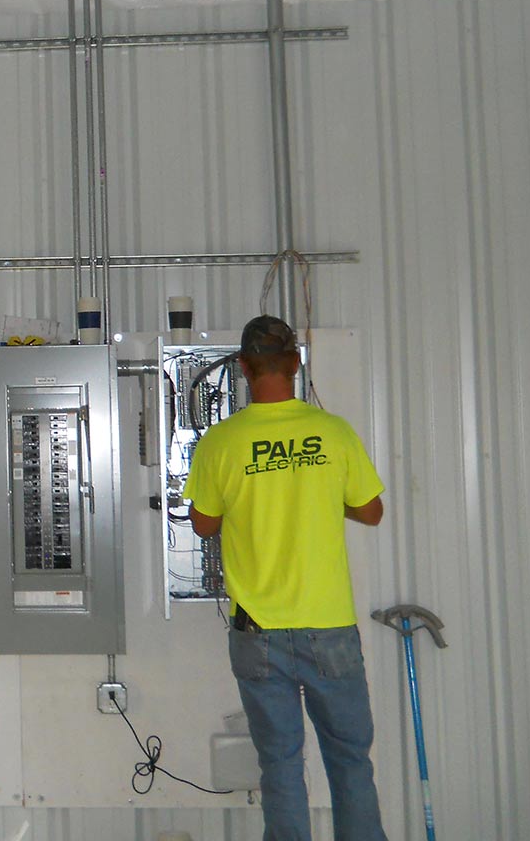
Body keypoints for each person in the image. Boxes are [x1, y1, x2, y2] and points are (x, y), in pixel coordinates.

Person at [187, 315, 387, 841]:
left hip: (259, 633)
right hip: (329, 626)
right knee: (350, 761)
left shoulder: (220, 442)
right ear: (296, 363)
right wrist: (318, 494)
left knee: (279, 764)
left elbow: (204, 523)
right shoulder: (333, 431)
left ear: (246, 369)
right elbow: (371, 511)